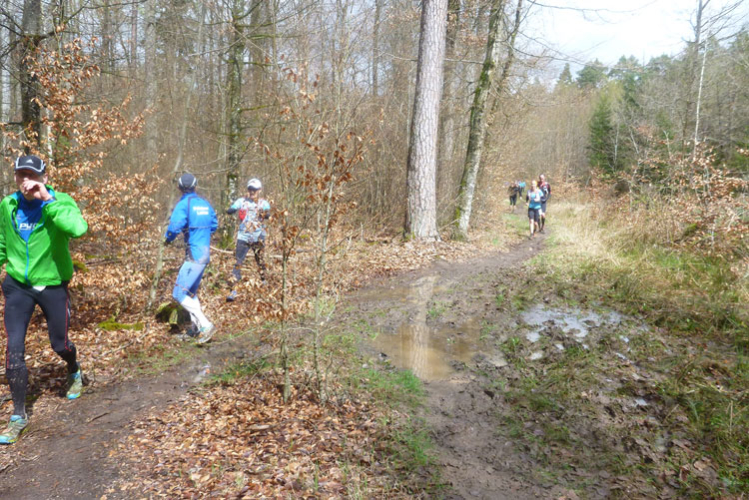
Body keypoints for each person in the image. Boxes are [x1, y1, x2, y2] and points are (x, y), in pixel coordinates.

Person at [0, 155, 88, 444]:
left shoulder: (61, 201)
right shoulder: (8, 205)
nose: (26, 180)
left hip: (52, 284)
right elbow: (2, 243)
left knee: (59, 344)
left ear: (44, 177)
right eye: (21, 175)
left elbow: (78, 228)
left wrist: (47, 199)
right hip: (18, 285)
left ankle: (73, 369)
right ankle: (18, 416)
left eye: (32, 175)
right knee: (13, 348)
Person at [164, 173, 218, 343]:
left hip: (194, 256)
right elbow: (214, 225)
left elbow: (174, 227)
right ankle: (195, 329)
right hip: (204, 253)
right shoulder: (205, 204)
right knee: (190, 293)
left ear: (179, 188)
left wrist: (168, 239)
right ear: (196, 186)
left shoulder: (183, 205)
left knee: (179, 293)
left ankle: (205, 325)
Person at [226, 178, 271, 302]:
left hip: (258, 237)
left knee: (260, 261)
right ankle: (234, 289)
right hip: (243, 237)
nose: (252, 192)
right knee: (238, 262)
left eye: (254, 190)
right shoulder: (242, 201)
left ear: (259, 190)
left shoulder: (264, 203)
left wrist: (265, 214)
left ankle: (264, 283)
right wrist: (231, 210)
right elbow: (232, 208)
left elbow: (268, 214)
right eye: (250, 189)